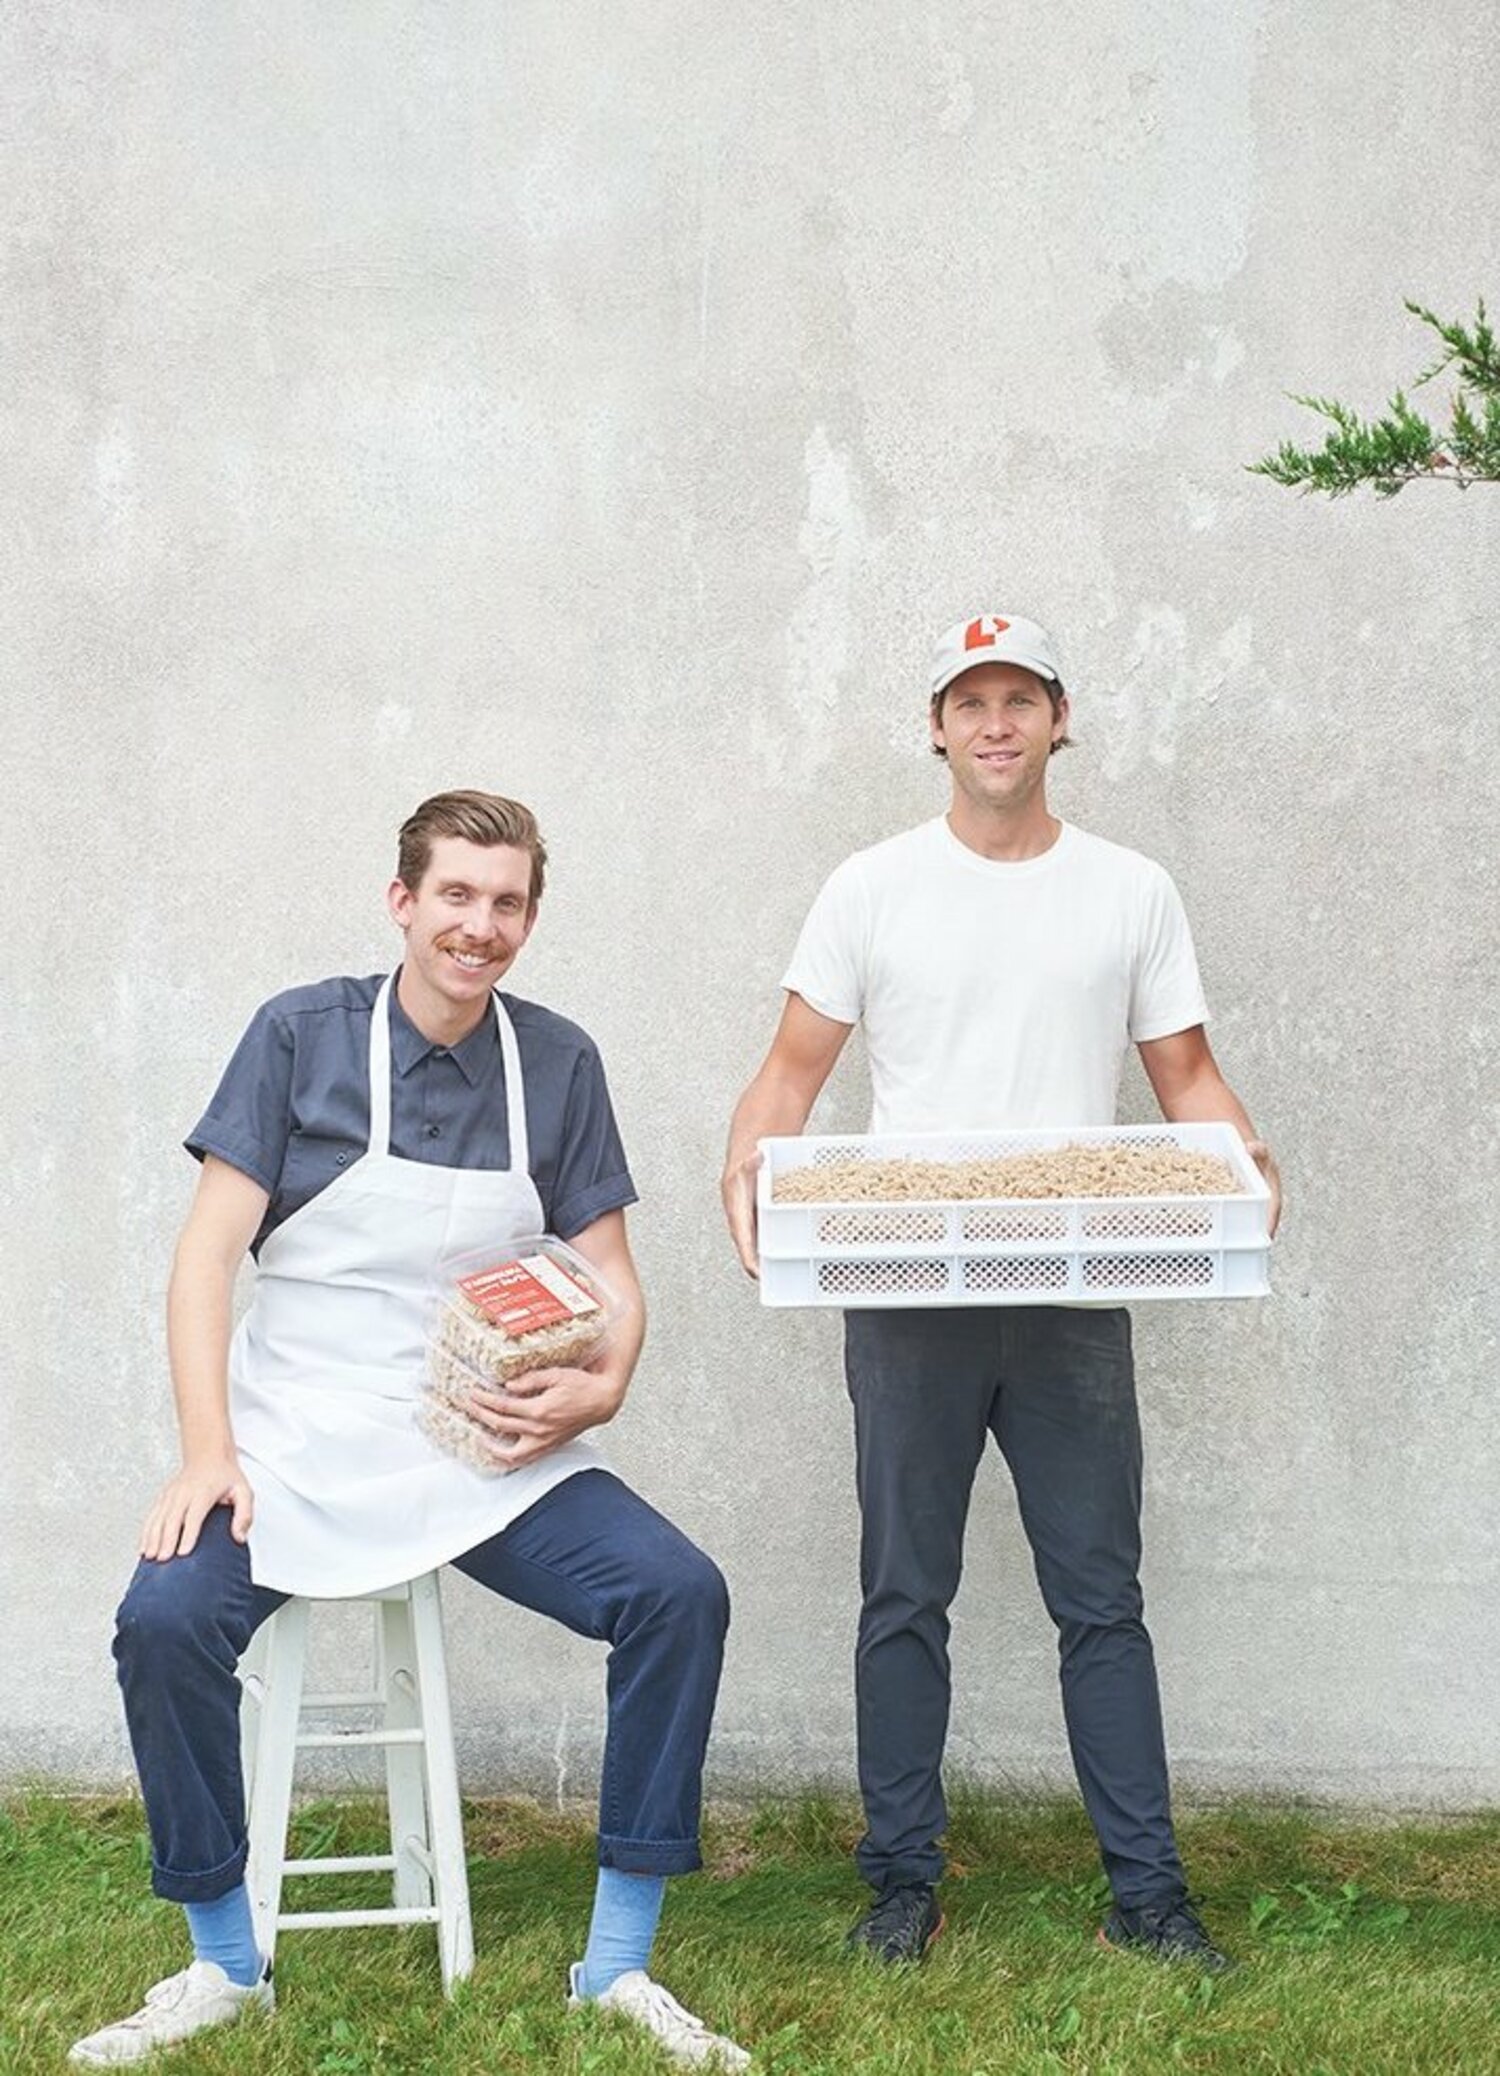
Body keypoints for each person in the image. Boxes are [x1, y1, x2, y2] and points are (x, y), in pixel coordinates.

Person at [72, 790, 748, 2071]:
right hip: (293, 1442)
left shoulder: (559, 1063)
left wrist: (601, 1387)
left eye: (505, 904)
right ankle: (223, 1962)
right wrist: (208, 1452)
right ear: (403, 901)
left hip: (483, 1447)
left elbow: (612, 1274)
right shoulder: (299, 1037)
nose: (479, 927)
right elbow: (205, 1260)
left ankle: (617, 1969)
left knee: (678, 1594)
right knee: (161, 1621)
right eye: (456, 896)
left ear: (529, 917)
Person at [722, 613, 1280, 1972]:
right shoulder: (870, 886)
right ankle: (899, 1884)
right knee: (904, 1592)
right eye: (969, 701)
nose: (994, 722)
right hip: (908, 1285)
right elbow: (791, 1071)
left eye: (1017, 698)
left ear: (1056, 718)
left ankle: (1148, 1896)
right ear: (936, 726)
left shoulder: (1130, 889)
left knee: (1102, 1598)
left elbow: (1186, 1074)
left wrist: (1242, 1153)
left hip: (1073, 1288)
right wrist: (746, 1161)